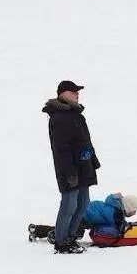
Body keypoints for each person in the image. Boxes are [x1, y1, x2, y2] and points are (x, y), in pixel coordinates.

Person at [44, 80, 101, 254]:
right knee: (69, 205)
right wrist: (70, 172)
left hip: (84, 169)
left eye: (78, 92)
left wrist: (93, 161)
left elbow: (86, 143)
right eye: (73, 91)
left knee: (83, 204)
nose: (77, 94)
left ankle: (70, 237)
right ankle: (61, 242)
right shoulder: (59, 118)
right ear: (63, 94)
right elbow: (61, 149)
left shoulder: (76, 115)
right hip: (70, 171)